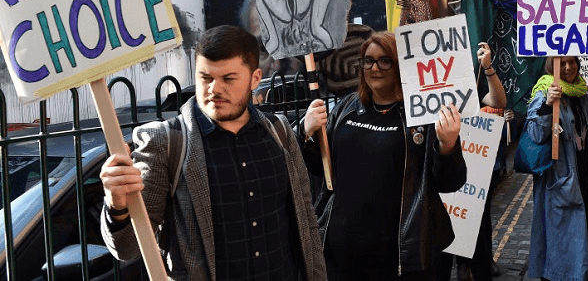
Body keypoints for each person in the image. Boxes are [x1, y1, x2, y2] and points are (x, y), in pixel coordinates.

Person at [100, 25, 326, 281]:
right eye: (205, 78)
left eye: (228, 79)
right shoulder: (166, 142)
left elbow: (305, 220)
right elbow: (128, 248)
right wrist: (116, 205)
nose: (214, 89)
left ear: (255, 78)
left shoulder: (280, 131)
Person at [301, 31, 467, 280]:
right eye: (368, 60)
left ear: (400, 65)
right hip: (343, 252)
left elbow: (449, 182)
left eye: (384, 60)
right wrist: (308, 134)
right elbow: (322, 172)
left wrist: (448, 144)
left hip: (400, 256)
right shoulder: (347, 108)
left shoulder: (421, 116)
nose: (374, 68)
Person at [525, 56, 588, 281]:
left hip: (586, 178)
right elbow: (535, 135)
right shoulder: (544, 91)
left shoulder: (581, 92)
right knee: (562, 245)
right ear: (550, 65)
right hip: (561, 182)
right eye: (561, 63)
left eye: (572, 62)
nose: (568, 67)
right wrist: (546, 106)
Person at [437, 42, 508, 281]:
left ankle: (473, 265)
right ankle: (458, 265)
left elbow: (498, 101)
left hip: (471, 169)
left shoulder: (468, 86)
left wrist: (487, 67)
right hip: (438, 171)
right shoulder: (425, 92)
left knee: (477, 225)